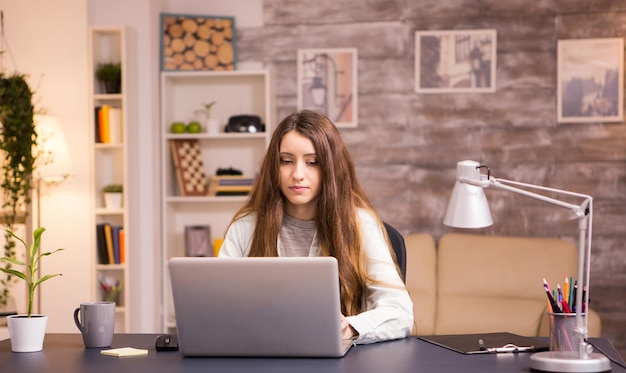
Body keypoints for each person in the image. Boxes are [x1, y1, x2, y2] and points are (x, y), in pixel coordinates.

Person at [218, 110, 414, 344]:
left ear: (331, 168)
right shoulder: (245, 226)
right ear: (274, 166)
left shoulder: (361, 224)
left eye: (312, 162)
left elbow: (400, 313)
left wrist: (350, 327)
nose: (297, 174)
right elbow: (218, 306)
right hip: (262, 354)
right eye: (286, 161)